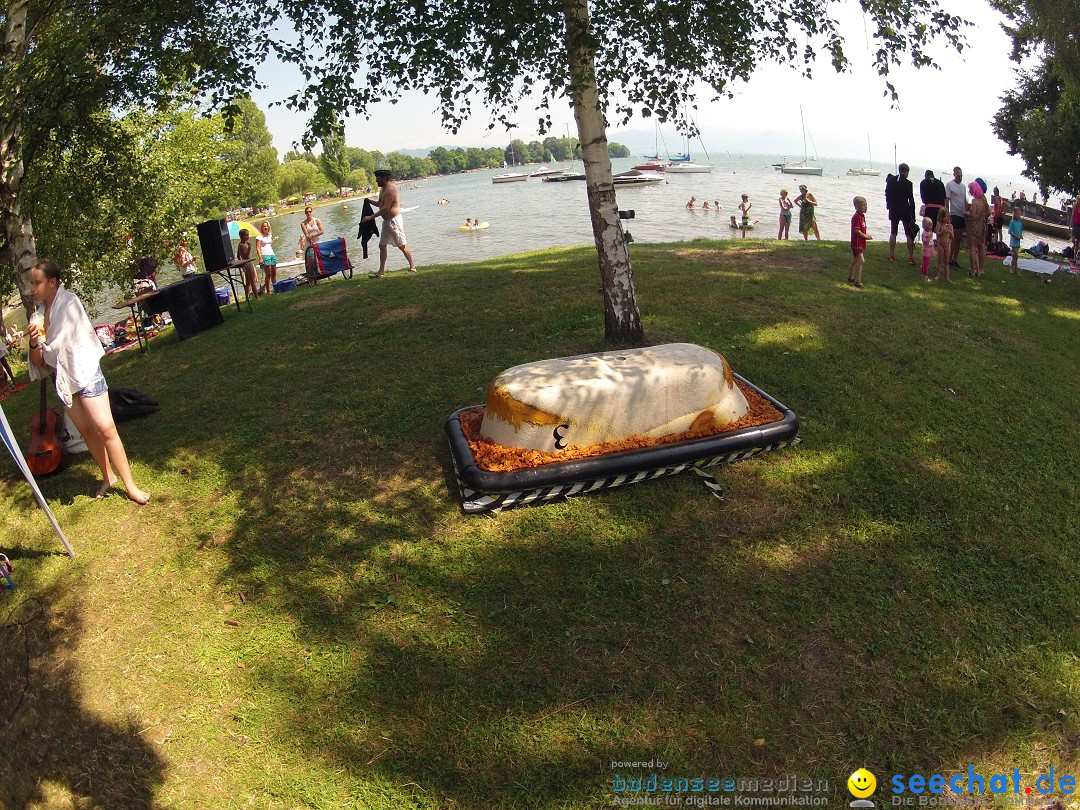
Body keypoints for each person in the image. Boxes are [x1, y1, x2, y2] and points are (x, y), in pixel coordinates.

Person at [25, 259, 150, 504]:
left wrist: (42, 344)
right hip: (62, 379)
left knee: (105, 427)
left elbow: (56, 346)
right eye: (31, 283)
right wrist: (32, 341)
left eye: (37, 282)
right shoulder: (38, 316)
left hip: (85, 370)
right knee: (85, 430)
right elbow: (39, 361)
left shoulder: (69, 302)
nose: (33, 288)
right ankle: (108, 477)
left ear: (52, 282)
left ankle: (131, 485)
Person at [361, 169, 417, 277]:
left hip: (394, 221)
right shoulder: (382, 190)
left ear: (384, 178)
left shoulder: (391, 189)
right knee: (382, 245)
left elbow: (386, 208)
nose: (376, 181)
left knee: (401, 245)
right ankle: (381, 271)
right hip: (386, 222)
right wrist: (370, 201)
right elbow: (380, 204)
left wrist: (371, 217)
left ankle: (412, 267)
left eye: (378, 178)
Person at [885, 163, 917, 265]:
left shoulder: (890, 180)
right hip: (905, 209)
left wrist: (888, 206)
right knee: (908, 233)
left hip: (894, 209)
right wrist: (913, 214)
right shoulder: (908, 183)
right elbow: (911, 200)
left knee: (893, 231)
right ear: (906, 171)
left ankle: (891, 255)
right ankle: (910, 257)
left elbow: (887, 194)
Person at [945, 166, 968, 270]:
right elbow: (947, 200)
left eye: (961, 175)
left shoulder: (963, 187)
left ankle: (954, 259)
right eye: (958, 175)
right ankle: (948, 260)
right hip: (954, 214)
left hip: (962, 214)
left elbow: (964, 200)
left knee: (958, 239)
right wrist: (948, 214)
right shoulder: (950, 185)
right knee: (953, 238)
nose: (960, 177)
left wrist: (967, 212)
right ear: (954, 175)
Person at [966, 181, 990, 278]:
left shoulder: (974, 201)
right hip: (982, 227)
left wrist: (965, 213)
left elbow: (972, 215)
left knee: (972, 248)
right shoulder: (983, 200)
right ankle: (980, 270)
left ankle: (973, 270)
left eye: (971, 189)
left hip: (973, 227)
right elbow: (988, 212)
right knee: (981, 246)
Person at [848, 196, 871, 288]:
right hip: (856, 243)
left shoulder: (862, 216)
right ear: (857, 206)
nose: (866, 207)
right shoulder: (856, 217)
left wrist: (866, 235)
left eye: (866, 205)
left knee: (854, 260)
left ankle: (850, 277)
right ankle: (858, 281)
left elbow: (861, 229)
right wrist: (866, 236)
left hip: (860, 243)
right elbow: (856, 230)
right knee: (861, 261)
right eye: (863, 205)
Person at [920, 170, 947, 234]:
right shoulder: (940, 183)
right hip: (940, 209)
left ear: (926, 176)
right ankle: (939, 242)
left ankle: (929, 241)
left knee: (928, 228)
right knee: (938, 228)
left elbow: (923, 198)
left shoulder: (923, 182)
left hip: (929, 208)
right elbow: (944, 198)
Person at [236, 229, 260, 300]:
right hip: (248, 264)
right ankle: (257, 297)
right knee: (252, 281)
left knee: (248, 282)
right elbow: (246, 256)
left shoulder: (240, 244)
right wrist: (249, 248)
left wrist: (242, 263)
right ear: (241, 236)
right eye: (246, 235)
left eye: (248, 235)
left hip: (245, 264)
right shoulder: (242, 245)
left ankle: (247, 297)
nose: (247, 237)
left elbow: (238, 256)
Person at [255, 220, 277, 294]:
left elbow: (269, 245)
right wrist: (260, 258)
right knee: (268, 274)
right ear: (262, 227)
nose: (266, 227)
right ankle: (268, 291)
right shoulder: (259, 236)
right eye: (264, 226)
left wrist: (273, 241)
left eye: (267, 226)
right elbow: (258, 248)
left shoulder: (269, 235)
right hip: (265, 255)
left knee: (274, 273)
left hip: (272, 254)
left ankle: (275, 288)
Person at [933, 207, 954, 283]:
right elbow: (937, 235)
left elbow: (952, 237)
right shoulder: (939, 224)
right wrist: (942, 232)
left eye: (947, 216)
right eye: (945, 216)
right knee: (940, 261)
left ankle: (947, 277)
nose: (946, 218)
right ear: (941, 217)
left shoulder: (950, 226)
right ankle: (938, 275)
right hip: (941, 244)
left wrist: (950, 232)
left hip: (947, 245)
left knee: (946, 261)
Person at [919, 216, 935, 282]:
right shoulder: (925, 233)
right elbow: (925, 241)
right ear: (924, 226)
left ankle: (923, 270)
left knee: (926, 261)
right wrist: (930, 237)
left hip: (929, 249)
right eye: (928, 225)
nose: (929, 227)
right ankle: (925, 275)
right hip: (926, 250)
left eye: (931, 225)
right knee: (926, 262)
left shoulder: (928, 232)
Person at [1008, 207, 1023, 274]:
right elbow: (1010, 231)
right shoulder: (1012, 222)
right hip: (1013, 240)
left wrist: (1020, 236)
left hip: (1018, 241)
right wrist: (1016, 236)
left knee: (1015, 256)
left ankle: (1014, 269)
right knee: (1016, 255)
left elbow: (1020, 231)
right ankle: (1014, 269)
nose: (1018, 215)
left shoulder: (1020, 223)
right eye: (1017, 214)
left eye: (1019, 214)